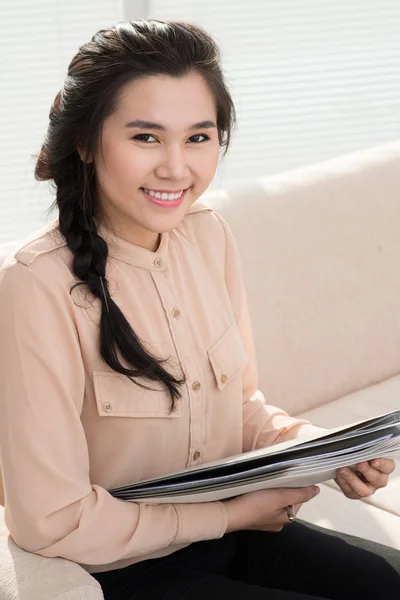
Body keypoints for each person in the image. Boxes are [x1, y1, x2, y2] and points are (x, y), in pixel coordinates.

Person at [0, 19, 398, 600]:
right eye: (145, 137)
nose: (176, 168)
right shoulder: (33, 286)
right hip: (121, 570)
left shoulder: (208, 235)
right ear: (86, 142)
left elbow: (238, 408)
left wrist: (325, 451)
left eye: (198, 137)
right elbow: (51, 520)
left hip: (234, 533)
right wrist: (233, 516)